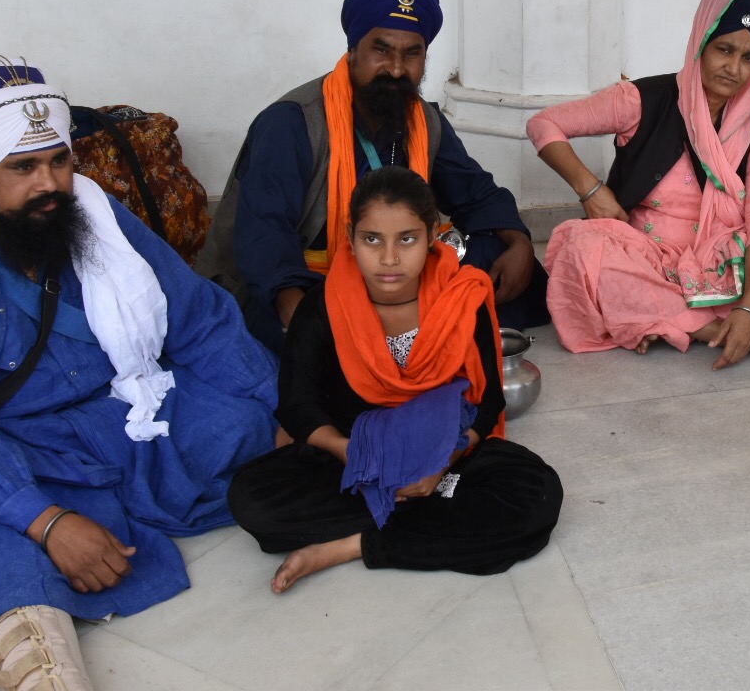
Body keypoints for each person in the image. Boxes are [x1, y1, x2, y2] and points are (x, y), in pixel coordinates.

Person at [0, 56, 279, 691]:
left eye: (59, 160)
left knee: (240, 418)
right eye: (21, 168)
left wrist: (275, 410)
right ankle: (38, 661)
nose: (49, 183)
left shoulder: (98, 218)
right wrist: (47, 521)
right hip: (3, 443)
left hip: (115, 413)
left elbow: (199, 318)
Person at [227, 166, 562, 591]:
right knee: (252, 499)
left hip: (446, 457)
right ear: (350, 237)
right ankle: (427, 527)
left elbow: (488, 402)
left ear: (432, 236)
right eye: (372, 239)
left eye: (406, 239)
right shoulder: (323, 307)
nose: (388, 259)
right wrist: (355, 456)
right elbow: (297, 403)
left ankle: (350, 545)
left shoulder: (462, 299)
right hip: (351, 460)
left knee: (537, 493)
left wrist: (440, 464)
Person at [198, 0, 548, 352]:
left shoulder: (422, 119)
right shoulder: (293, 121)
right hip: (308, 277)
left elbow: (475, 191)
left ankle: (417, 332)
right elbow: (263, 233)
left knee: (501, 259)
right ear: (353, 51)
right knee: (289, 330)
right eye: (381, 50)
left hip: (392, 267)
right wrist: (299, 321)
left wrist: (519, 242)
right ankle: (428, 332)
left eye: (411, 54)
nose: (396, 69)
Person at [525, 0, 750, 368]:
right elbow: (544, 124)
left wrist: (749, 307)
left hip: (728, 254)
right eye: (724, 49)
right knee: (581, 250)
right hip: (647, 255)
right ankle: (714, 330)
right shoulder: (642, 100)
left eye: (749, 58)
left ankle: (681, 319)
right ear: (701, 42)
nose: (733, 68)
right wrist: (591, 189)